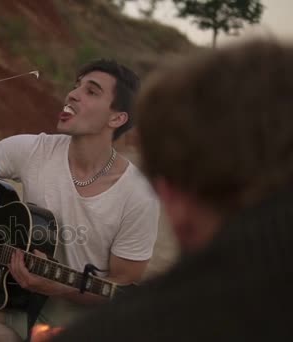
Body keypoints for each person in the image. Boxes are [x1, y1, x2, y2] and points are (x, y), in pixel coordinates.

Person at [51, 38, 293, 341]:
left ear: (170, 194)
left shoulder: (131, 327)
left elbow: (125, 283)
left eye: (91, 90)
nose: (73, 95)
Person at [0, 59, 160, 341]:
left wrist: (58, 287)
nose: (72, 94)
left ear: (116, 118)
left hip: (80, 318)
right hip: (17, 298)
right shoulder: (36, 150)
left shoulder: (138, 195)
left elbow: (121, 289)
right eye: (76, 85)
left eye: (91, 91)